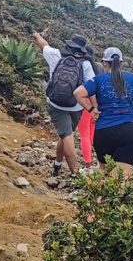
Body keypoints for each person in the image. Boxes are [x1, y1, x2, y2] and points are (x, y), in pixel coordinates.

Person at [73, 47, 133, 175]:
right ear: (121, 63)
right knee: (122, 176)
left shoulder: (98, 79)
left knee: (104, 172)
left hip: (104, 131)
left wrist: (91, 110)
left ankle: (100, 195)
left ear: (105, 63)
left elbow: (78, 93)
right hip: (130, 131)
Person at [31, 31, 95, 176]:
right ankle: (75, 174)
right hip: (76, 107)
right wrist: (93, 108)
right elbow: (92, 87)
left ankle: (59, 165)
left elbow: (43, 45)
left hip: (55, 104)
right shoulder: (85, 64)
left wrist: (37, 36)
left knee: (65, 135)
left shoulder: (56, 54)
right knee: (68, 135)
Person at [76, 46, 102, 167]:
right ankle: (94, 158)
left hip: (85, 102)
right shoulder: (99, 68)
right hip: (97, 103)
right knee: (92, 133)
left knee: (84, 134)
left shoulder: (82, 66)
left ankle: (88, 162)